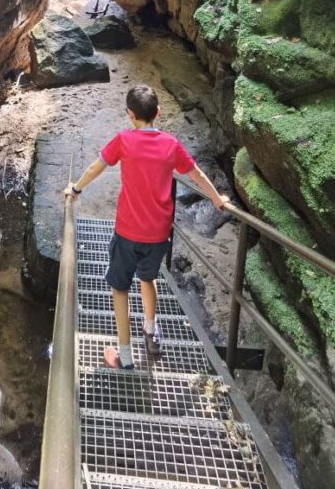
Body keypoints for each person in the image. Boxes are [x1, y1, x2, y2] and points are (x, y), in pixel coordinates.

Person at [64, 84, 229, 370]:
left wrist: (76, 188)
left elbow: (96, 167)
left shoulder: (123, 141)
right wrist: (216, 199)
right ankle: (152, 333)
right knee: (148, 278)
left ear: (130, 114)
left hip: (128, 231)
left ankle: (125, 357)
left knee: (119, 289)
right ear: (158, 113)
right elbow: (196, 173)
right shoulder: (170, 145)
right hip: (158, 235)